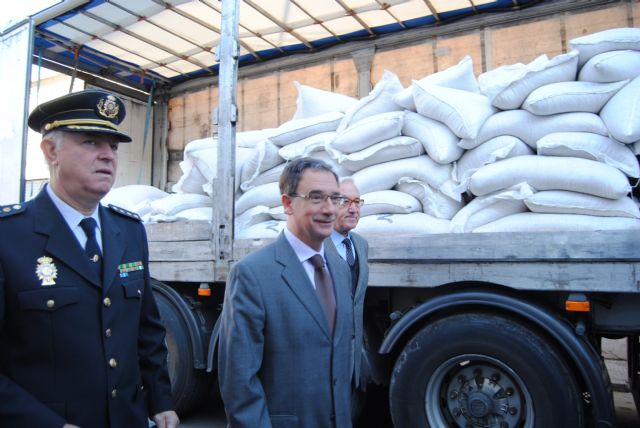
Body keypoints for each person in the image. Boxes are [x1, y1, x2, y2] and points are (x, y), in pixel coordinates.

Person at [0, 90, 179, 428]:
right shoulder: (9, 236)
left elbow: (147, 329)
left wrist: (160, 399)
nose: (108, 156)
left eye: (112, 146)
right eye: (90, 142)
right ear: (51, 150)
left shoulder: (128, 231)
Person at [218, 158, 354, 428]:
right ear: (287, 203)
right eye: (316, 198)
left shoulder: (339, 267)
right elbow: (239, 381)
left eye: (334, 198)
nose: (329, 209)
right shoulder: (252, 274)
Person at [326, 178, 369, 391]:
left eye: (357, 202)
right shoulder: (316, 245)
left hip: (352, 353)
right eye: (344, 201)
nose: (353, 209)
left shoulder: (361, 245)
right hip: (325, 355)